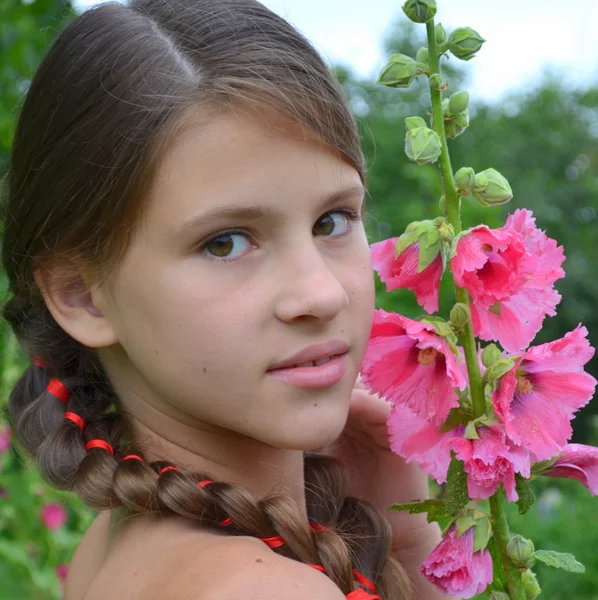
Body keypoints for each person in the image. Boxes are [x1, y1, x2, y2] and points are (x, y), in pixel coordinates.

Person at [1, 1, 452, 598]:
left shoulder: (116, 544)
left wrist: (409, 547)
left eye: (333, 221)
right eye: (226, 242)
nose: (320, 293)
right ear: (82, 295)